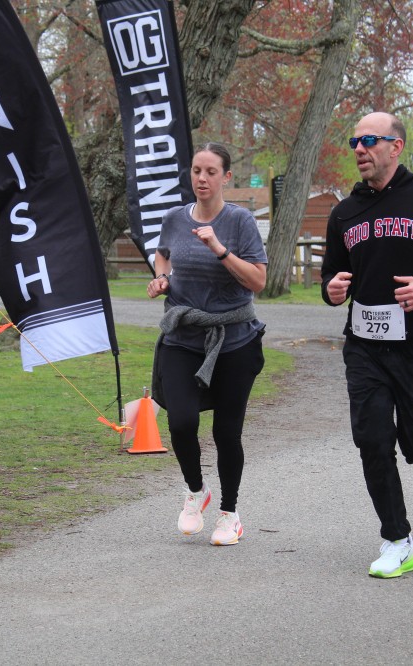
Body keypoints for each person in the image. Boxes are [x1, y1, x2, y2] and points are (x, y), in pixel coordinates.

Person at [320, 112, 413, 578]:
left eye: (369, 140)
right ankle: (397, 540)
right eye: (355, 142)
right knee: (372, 440)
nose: (359, 149)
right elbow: (331, 274)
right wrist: (331, 289)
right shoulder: (344, 212)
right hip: (363, 346)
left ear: (396, 146)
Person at [146, 142, 267, 547]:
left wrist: (220, 249)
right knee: (180, 422)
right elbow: (163, 255)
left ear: (226, 177)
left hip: (233, 340)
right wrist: (162, 279)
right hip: (182, 337)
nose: (202, 178)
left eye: (211, 172)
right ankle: (196, 490)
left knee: (226, 432)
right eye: (197, 170)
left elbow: (258, 280)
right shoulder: (174, 218)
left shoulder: (240, 221)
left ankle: (230, 514)